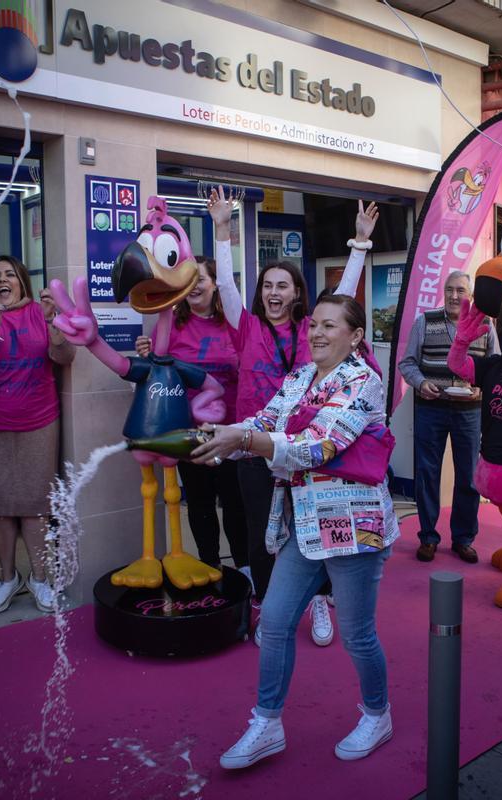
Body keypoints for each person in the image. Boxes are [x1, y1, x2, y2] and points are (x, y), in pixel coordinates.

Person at [193, 294, 399, 769]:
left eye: (331, 326)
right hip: (303, 525)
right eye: (314, 327)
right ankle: (267, 723)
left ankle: (377, 714)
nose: (318, 334)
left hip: (354, 527)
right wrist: (215, 438)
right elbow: (262, 422)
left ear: (356, 337)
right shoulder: (300, 377)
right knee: (278, 621)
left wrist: (242, 440)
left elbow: (317, 446)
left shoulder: (363, 380)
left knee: (357, 634)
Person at [210, 187, 374, 647]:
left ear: (296, 292)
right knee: (262, 530)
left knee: (314, 527)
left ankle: (319, 599)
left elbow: (343, 297)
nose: (274, 292)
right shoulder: (246, 327)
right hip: (254, 445)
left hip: (308, 450)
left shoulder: (313, 329)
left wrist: (359, 244)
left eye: (283, 285)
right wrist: (223, 229)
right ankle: (266, 602)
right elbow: (225, 285)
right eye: (267, 285)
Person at [0, 256, 74, 614]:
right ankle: (8, 577)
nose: (3, 280)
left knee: (35, 506)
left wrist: (54, 318)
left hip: (38, 423)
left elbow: (64, 355)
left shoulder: (39, 312)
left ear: (22, 281)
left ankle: (39, 578)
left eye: (10, 274)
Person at [134, 256, 247, 574]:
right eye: (190, 279)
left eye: (201, 278)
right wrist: (146, 355)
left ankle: (246, 569)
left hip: (231, 432)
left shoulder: (235, 324)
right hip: (189, 432)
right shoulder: (169, 324)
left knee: (235, 505)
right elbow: (156, 375)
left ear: (216, 285)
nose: (195, 285)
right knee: (200, 505)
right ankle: (209, 565)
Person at [397, 271, 493, 564]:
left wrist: (481, 388)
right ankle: (428, 537)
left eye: (461, 291)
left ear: (470, 296)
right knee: (428, 473)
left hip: (469, 411)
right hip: (431, 407)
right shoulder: (425, 322)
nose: (454, 296)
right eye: (450, 290)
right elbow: (407, 362)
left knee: (468, 476)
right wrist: (420, 383)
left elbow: (494, 366)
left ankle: (463, 539)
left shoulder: (485, 325)